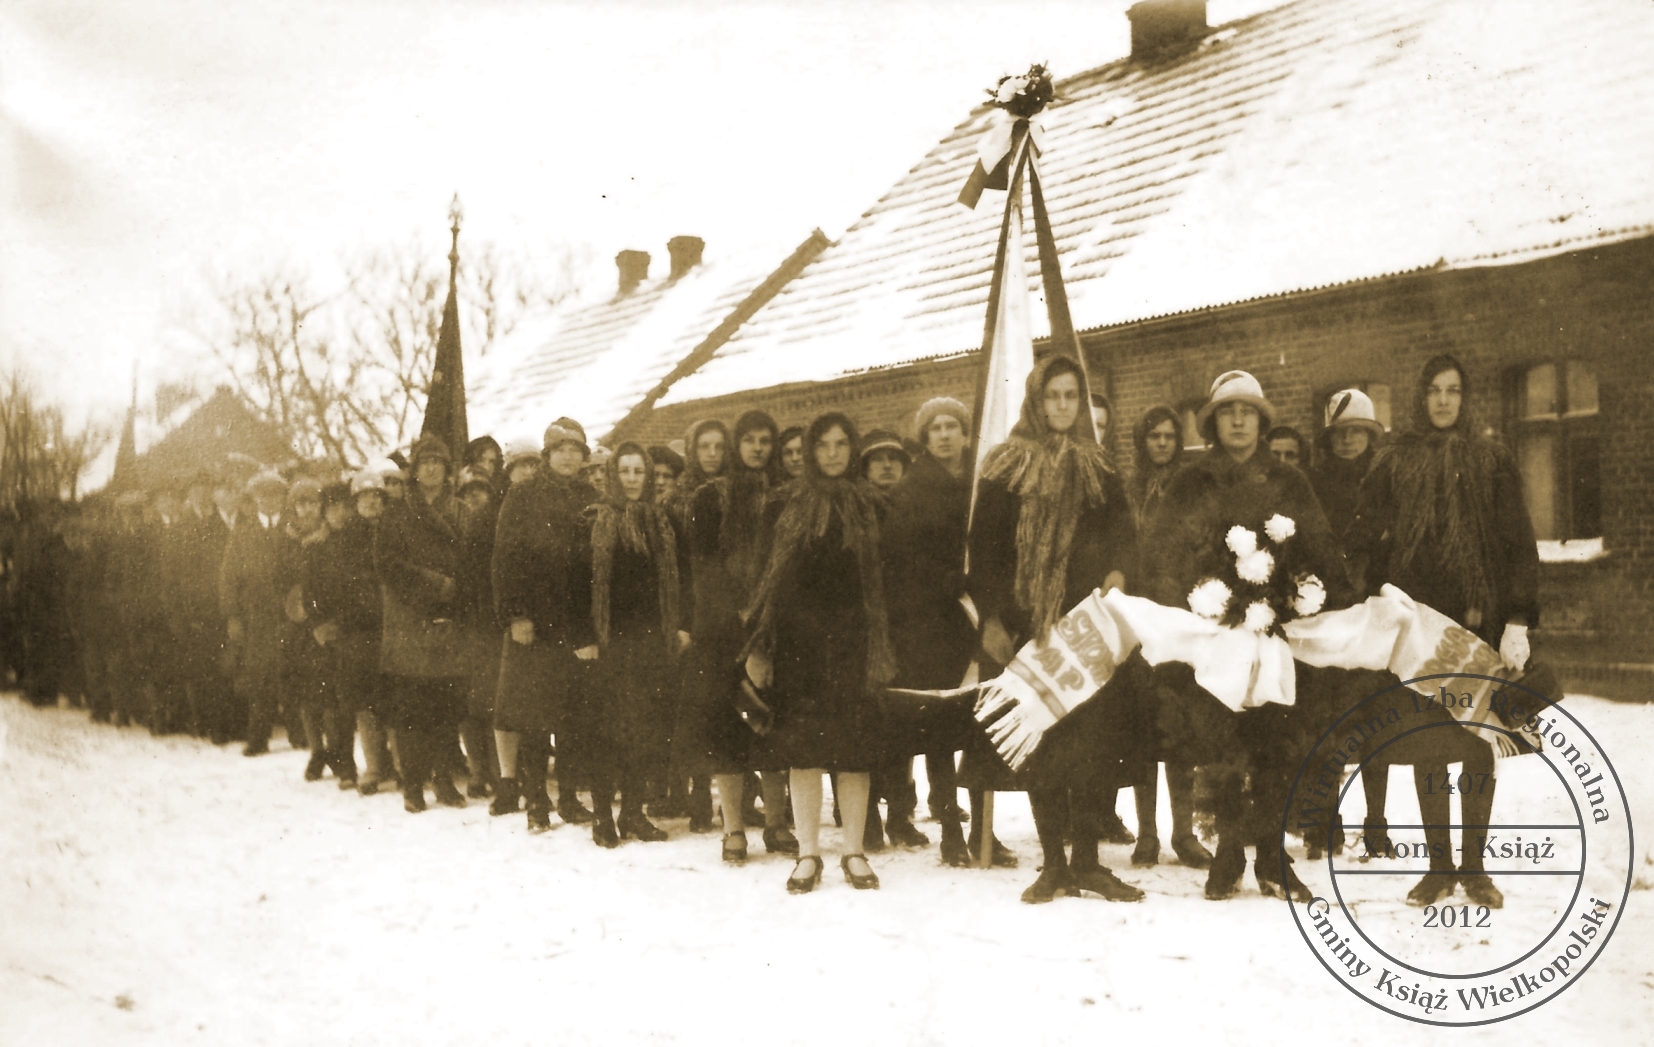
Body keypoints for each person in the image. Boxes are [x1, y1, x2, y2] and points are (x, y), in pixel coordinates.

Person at [1142, 370, 1352, 902]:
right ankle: (1229, 852)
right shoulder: (1190, 482)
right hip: (1213, 639)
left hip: (1277, 635)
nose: (1239, 420)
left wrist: (1303, 596)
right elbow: (1161, 557)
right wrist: (1197, 608)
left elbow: (1321, 552)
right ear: (1213, 422)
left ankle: (1274, 859)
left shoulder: (1288, 482)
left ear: (1262, 419)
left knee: (1277, 747)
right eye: (1228, 412)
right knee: (1220, 747)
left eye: (1248, 411)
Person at [1346, 355, 1538, 910]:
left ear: (1465, 397)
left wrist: (1519, 618)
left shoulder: (1491, 459)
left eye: (1453, 390)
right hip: (1421, 628)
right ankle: (1437, 868)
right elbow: (1367, 536)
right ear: (1419, 397)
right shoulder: (1394, 460)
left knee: (1479, 742)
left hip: (1482, 621)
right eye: (1433, 390)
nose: (1443, 400)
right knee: (1429, 744)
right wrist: (1378, 594)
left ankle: (1475, 870)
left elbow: (1518, 544)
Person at [968, 355, 1144, 904]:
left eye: (1072, 396)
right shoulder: (1004, 466)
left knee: (1093, 742)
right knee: (1042, 740)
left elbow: (1122, 535)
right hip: (1030, 625)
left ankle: (1088, 862)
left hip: (1087, 624)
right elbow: (986, 548)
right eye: (1054, 396)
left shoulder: (1099, 466)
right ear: (1036, 400)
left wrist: (1117, 573)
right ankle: (1053, 864)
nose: (1064, 406)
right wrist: (994, 617)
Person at [744, 413, 893, 893]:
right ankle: (808, 854)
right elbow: (766, 582)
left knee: (852, 752)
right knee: (803, 753)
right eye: (823, 445)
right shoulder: (782, 505)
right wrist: (761, 646)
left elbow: (887, 585)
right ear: (810, 450)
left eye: (841, 444)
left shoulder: (873, 506)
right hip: (798, 646)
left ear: (852, 449)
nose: (832, 453)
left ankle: (853, 850)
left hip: (855, 645)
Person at [679, 409, 797, 863]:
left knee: (771, 727)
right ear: (736, 445)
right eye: (749, 440)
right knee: (728, 728)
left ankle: (776, 823)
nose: (758, 448)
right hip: (724, 631)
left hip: (773, 627)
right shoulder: (712, 498)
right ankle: (732, 828)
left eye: (766, 440)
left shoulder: (784, 497)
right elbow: (704, 569)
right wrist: (739, 626)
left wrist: (767, 625)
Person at [880, 396, 976, 865]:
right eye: (935, 427)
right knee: (936, 720)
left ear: (964, 433)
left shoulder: (977, 483)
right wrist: (946, 584)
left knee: (975, 719)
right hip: (929, 621)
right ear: (925, 436)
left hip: (971, 617)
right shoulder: (912, 488)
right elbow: (903, 562)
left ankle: (980, 825)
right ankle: (950, 827)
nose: (943, 435)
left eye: (951, 426)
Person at [493, 418, 601, 833]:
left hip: (575, 624)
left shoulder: (592, 497)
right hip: (534, 626)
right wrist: (516, 615)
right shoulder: (522, 496)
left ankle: (570, 798)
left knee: (572, 716)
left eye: (577, 450)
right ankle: (536, 800)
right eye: (561, 449)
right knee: (535, 718)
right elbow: (504, 561)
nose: (569, 457)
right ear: (547, 455)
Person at [585, 442, 692, 845]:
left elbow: (679, 580)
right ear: (614, 475)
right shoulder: (596, 520)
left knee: (645, 731)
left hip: (651, 642)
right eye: (625, 471)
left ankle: (632, 813)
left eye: (638, 472)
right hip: (609, 643)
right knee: (609, 732)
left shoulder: (660, 523)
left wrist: (679, 626)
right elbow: (578, 586)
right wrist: (586, 638)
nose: (632, 479)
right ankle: (602, 817)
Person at [1123, 405, 1209, 869]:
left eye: (1169, 436)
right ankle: (1147, 835)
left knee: (1179, 731)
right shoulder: (1127, 489)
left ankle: (1184, 832)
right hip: (1138, 620)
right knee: (1143, 731)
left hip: (1179, 618)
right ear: (1142, 441)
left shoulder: (1191, 487)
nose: (1161, 443)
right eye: (1153, 436)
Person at [375, 437, 469, 813]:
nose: (431, 468)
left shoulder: (461, 511)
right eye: (424, 462)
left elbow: (472, 560)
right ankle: (413, 785)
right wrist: (436, 585)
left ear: (447, 471)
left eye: (438, 462)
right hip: (409, 620)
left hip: (448, 620)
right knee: (411, 709)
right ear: (414, 470)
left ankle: (444, 781)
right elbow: (388, 564)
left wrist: (456, 594)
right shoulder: (396, 513)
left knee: (445, 707)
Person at [662, 419, 731, 831]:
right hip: (694, 615)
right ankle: (700, 796)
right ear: (692, 450)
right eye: (704, 446)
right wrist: (682, 621)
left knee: (731, 707)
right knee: (697, 708)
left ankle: (738, 800)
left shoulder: (736, 494)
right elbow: (673, 571)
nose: (712, 453)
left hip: (729, 613)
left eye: (719, 446)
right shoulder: (676, 502)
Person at [220, 470, 295, 756]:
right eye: (263, 495)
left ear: (282, 497)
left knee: (292, 674)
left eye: (275, 494)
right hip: (256, 618)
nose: (269, 500)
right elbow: (228, 578)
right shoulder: (243, 532)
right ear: (255, 498)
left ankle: (298, 733)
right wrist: (233, 616)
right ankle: (258, 737)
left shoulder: (292, 528)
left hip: (290, 616)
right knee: (259, 679)